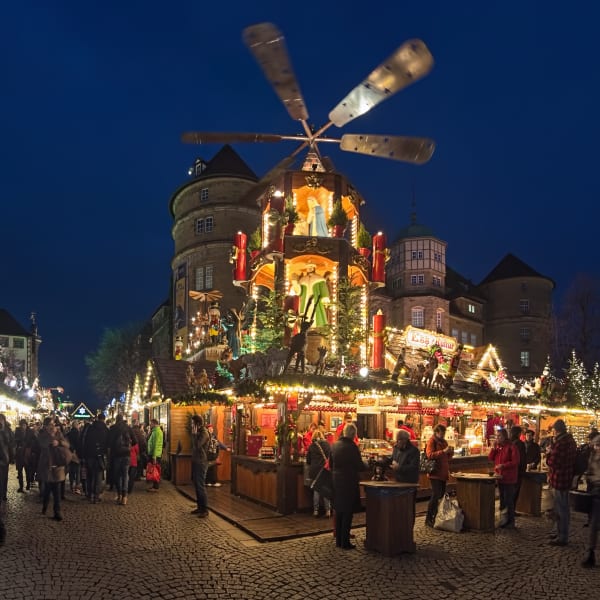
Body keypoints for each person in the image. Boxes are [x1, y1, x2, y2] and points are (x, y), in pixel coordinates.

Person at [330, 422, 368, 549]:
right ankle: (345, 542)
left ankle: (339, 541)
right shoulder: (352, 447)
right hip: (348, 482)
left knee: (339, 511)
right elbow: (359, 466)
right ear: (353, 434)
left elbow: (330, 464)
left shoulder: (334, 445)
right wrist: (368, 464)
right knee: (347, 512)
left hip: (336, 482)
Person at [545, 418, 577, 546]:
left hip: (559, 478)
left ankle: (562, 536)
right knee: (563, 508)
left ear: (556, 430)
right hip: (567, 477)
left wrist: (548, 454)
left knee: (561, 508)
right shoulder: (571, 441)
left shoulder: (560, 443)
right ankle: (560, 532)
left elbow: (553, 462)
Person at [37, 416, 70, 521]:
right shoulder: (42, 435)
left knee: (56, 490)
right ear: (46, 426)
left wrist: (59, 442)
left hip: (58, 465)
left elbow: (67, 445)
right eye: (50, 424)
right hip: (47, 465)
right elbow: (44, 444)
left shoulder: (59, 434)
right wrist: (52, 437)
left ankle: (57, 512)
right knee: (48, 488)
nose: (52, 426)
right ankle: (45, 505)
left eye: (53, 424)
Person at [489, 428, 520, 528]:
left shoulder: (511, 447)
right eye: (496, 436)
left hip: (509, 478)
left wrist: (503, 465)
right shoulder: (498, 447)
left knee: (508, 500)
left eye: (499, 436)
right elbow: (490, 458)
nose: (497, 438)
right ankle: (503, 520)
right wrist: (493, 449)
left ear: (505, 436)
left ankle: (510, 522)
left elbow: (515, 462)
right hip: (500, 477)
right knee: (502, 499)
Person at [425, 424, 453, 527]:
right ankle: (429, 518)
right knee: (435, 495)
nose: (443, 435)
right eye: (441, 433)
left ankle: (437, 517)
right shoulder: (432, 441)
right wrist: (443, 451)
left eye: (444, 433)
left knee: (440, 495)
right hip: (435, 473)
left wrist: (450, 452)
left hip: (443, 472)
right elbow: (430, 455)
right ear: (436, 432)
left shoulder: (444, 442)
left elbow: (448, 457)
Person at [108, 414, 135, 505]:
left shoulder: (113, 428)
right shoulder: (128, 428)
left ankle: (119, 494)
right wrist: (129, 446)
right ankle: (125, 497)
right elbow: (135, 441)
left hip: (116, 455)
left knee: (117, 476)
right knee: (125, 475)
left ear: (116, 419)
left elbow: (109, 442)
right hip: (126, 454)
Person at [291, 262, 330, 327]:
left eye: (311, 267)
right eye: (308, 267)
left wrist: (325, 297)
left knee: (316, 315)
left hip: (316, 301)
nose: (309, 269)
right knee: (305, 315)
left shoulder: (319, 279)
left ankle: (316, 329)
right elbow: (299, 292)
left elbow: (323, 289)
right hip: (305, 302)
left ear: (314, 268)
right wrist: (295, 283)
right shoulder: (302, 280)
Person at [582, 434, 600, 567]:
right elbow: (590, 472)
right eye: (596, 445)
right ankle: (590, 553)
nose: (597, 447)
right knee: (593, 525)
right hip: (596, 493)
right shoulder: (593, 457)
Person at [306, 429, 332, 517]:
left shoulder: (312, 446)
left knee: (316, 490)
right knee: (325, 490)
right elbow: (331, 457)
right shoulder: (328, 445)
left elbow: (308, 460)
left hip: (314, 471)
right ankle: (328, 511)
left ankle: (316, 511)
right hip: (324, 469)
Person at [190, 415, 210, 517]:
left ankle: (205, 509)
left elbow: (197, 445)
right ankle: (200, 507)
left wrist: (194, 435)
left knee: (200, 485)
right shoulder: (199, 432)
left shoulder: (204, 433)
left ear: (197, 424)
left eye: (192, 423)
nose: (191, 425)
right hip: (196, 461)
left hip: (201, 462)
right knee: (197, 485)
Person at [509, 425, 527, 509]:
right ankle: (512, 510)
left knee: (509, 492)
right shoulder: (520, 444)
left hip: (509, 471)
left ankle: (508, 511)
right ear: (519, 433)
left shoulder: (508, 443)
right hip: (517, 471)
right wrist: (523, 471)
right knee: (515, 492)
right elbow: (522, 459)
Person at [14, 419, 33, 493]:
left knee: (28, 470)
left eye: (24, 425)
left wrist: (29, 447)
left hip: (27, 454)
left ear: (26, 425)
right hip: (19, 454)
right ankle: (21, 486)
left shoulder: (30, 432)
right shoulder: (17, 431)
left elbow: (33, 441)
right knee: (19, 471)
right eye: (21, 425)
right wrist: (19, 444)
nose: (23, 426)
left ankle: (28, 484)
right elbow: (15, 439)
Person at [0, 414, 15, 505]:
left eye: (1, 419)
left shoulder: (8, 430)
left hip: (5, 457)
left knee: (4, 477)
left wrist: (12, 456)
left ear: (4, 420)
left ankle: (3, 493)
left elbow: (11, 443)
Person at [146, 419, 164, 492]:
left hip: (155, 454)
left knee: (155, 470)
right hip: (154, 453)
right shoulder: (154, 431)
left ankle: (156, 487)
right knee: (154, 469)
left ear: (154, 424)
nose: (150, 425)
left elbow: (156, 445)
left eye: (151, 424)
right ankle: (154, 485)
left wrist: (154, 456)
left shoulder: (157, 432)